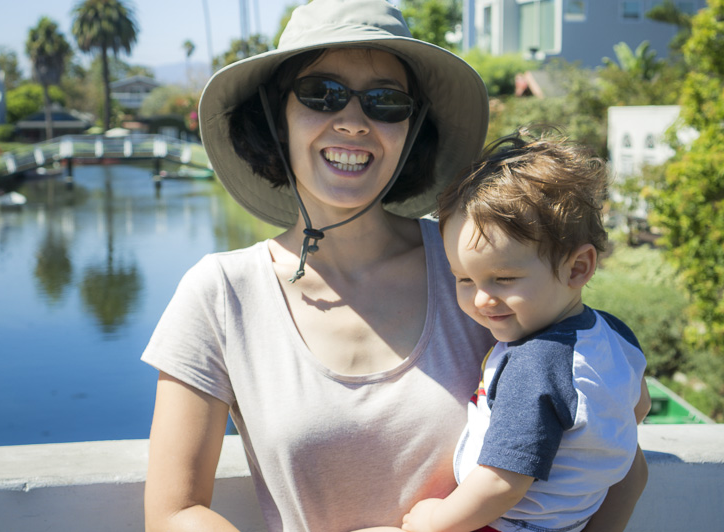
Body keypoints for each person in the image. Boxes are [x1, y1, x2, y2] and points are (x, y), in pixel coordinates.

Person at [141, 1, 647, 531]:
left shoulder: (479, 274)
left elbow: (616, 459)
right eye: (322, 93)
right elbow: (175, 512)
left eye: (386, 102)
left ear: (413, 126)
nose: (354, 122)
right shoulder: (220, 293)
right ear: (275, 114)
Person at [400, 131, 651, 532]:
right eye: (464, 280)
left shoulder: (536, 365)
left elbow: (503, 482)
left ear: (578, 268)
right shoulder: (614, 334)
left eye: (503, 278)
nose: (481, 300)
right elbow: (637, 407)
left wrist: (434, 521)